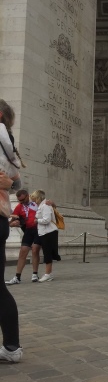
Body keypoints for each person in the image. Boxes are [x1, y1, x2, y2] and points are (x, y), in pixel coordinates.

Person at [0, 138, 24, 362]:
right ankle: (11, 346)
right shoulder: (7, 148)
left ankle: (11, 346)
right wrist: (7, 184)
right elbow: (17, 185)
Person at [5, 190, 41, 284]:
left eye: (22, 199)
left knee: (35, 249)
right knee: (23, 251)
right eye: (19, 200)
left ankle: (35, 274)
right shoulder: (19, 206)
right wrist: (12, 224)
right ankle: (17, 276)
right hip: (28, 230)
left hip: (39, 229)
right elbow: (12, 220)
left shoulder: (36, 202)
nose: (21, 202)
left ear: (27, 196)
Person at [30, 190, 58, 283]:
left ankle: (48, 274)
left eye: (34, 198)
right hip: (44, 232)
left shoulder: (45, 206)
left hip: (48, 232)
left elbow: (47, 220)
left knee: (47, 253)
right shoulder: (42, 205)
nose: (33, 201)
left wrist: (37, 221)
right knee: (45, 252)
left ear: (38, 198)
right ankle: (48, 273)